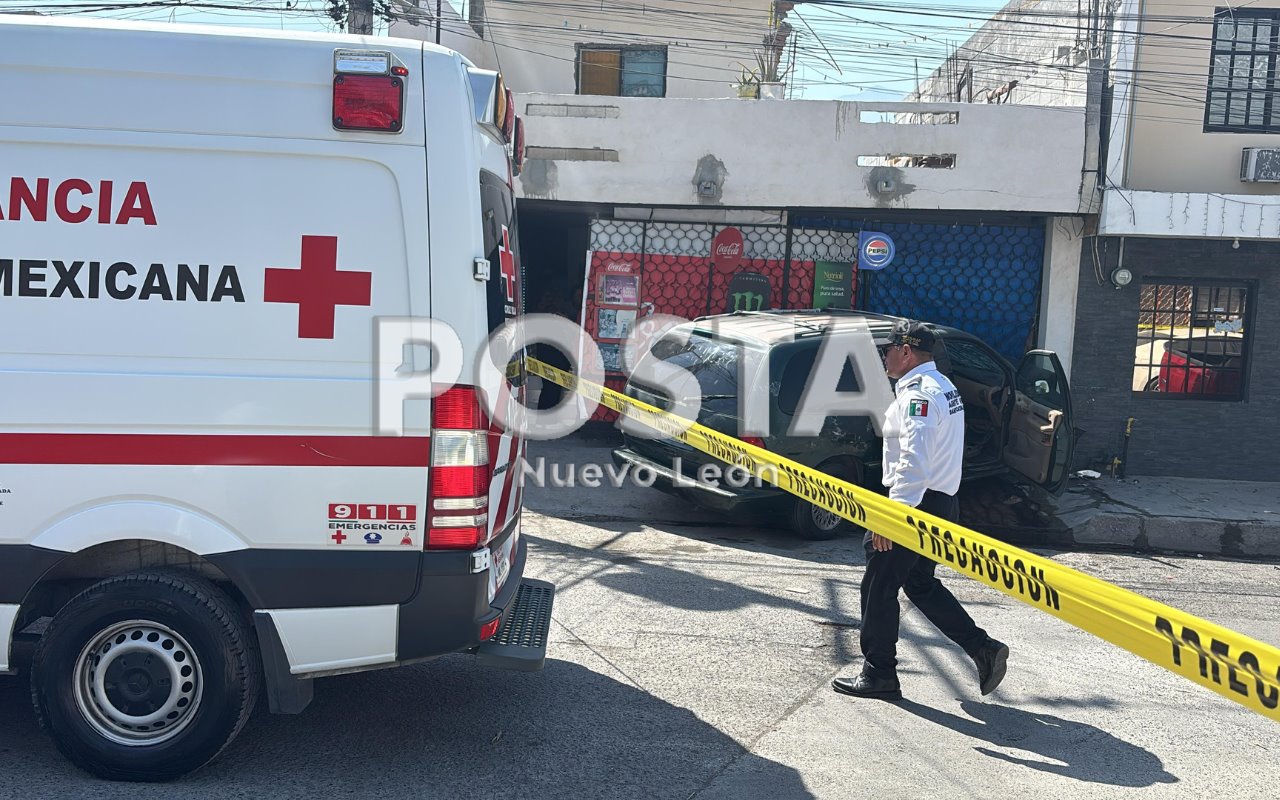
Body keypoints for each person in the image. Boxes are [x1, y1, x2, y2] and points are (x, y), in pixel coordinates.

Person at [832, 319, 1008, 702]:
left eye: (888, 348)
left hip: (915, 502)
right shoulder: (942, 386)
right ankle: (983, 649)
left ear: (906, 351)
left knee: (878, 586)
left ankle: (879, 674)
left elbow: (915, 459)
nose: (884, 355)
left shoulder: (920, 395)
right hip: (937, 502)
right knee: (919, 583)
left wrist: (891, 517)